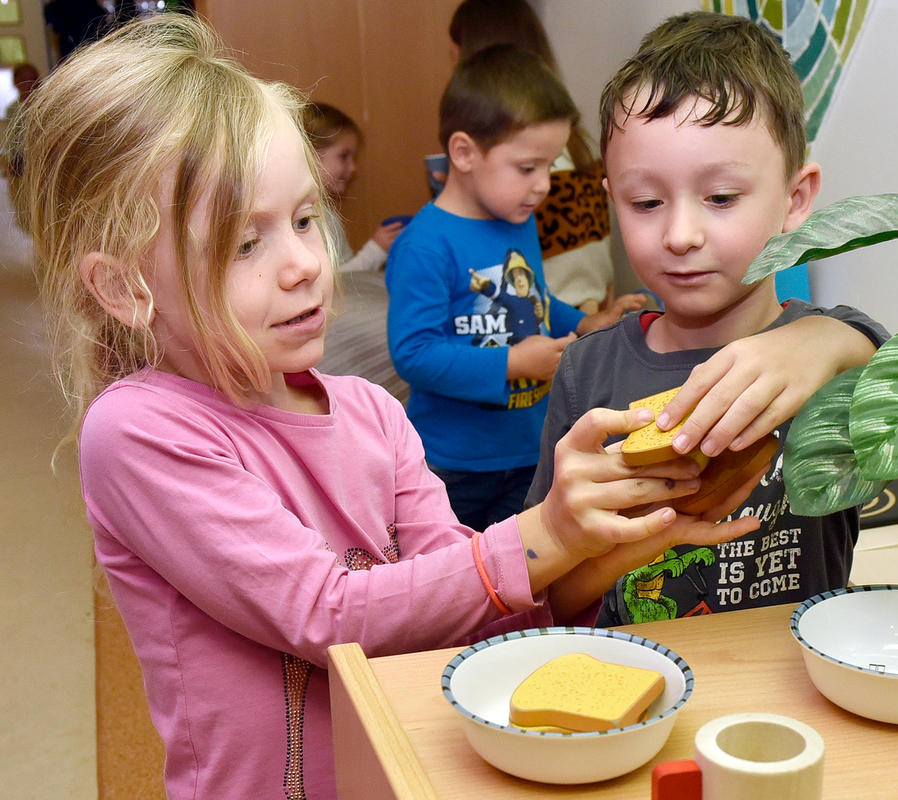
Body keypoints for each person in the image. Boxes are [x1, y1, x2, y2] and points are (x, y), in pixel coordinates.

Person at [7, 15, 763, 798]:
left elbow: (460, 612)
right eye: (244, 244)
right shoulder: (138, 430)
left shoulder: (372, 412)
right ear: (125, 288)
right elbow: (325, 615)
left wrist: (595, 554)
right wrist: (544, 533)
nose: (305, 264)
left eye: (305, 220)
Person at [526, 11, 889, 626]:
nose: (681, 234)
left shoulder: (832, 355)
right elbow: (550, 598)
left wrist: (826, 341)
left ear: (795, 198)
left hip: (801, 691)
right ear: (614, 199)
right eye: (646, 202)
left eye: (721, 198)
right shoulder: (587, 369)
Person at [386, 43, 647, 531]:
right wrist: (511, 363)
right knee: (456, 583)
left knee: (521, 578)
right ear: (464, 153)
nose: (544, 184)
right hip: (454, 465)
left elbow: (531, 303)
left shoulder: (518, 220)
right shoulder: (426, 244)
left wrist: (584, 320)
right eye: (528, 167)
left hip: (530, 447)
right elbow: (413, 353)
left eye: (550, 165)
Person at [447, 0, 616, 313]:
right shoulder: (581, 144)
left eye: (456, 48)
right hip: (594, 302)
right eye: (527, 169)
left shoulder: (512, 184)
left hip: (552, 316)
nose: (543, 185)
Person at [301, 101, 404, 273]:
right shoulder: (310, 218)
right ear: (309, 154)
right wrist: (376, 249)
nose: (353, 168)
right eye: (343, 156)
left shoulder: (327, 215)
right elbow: (338, 283)